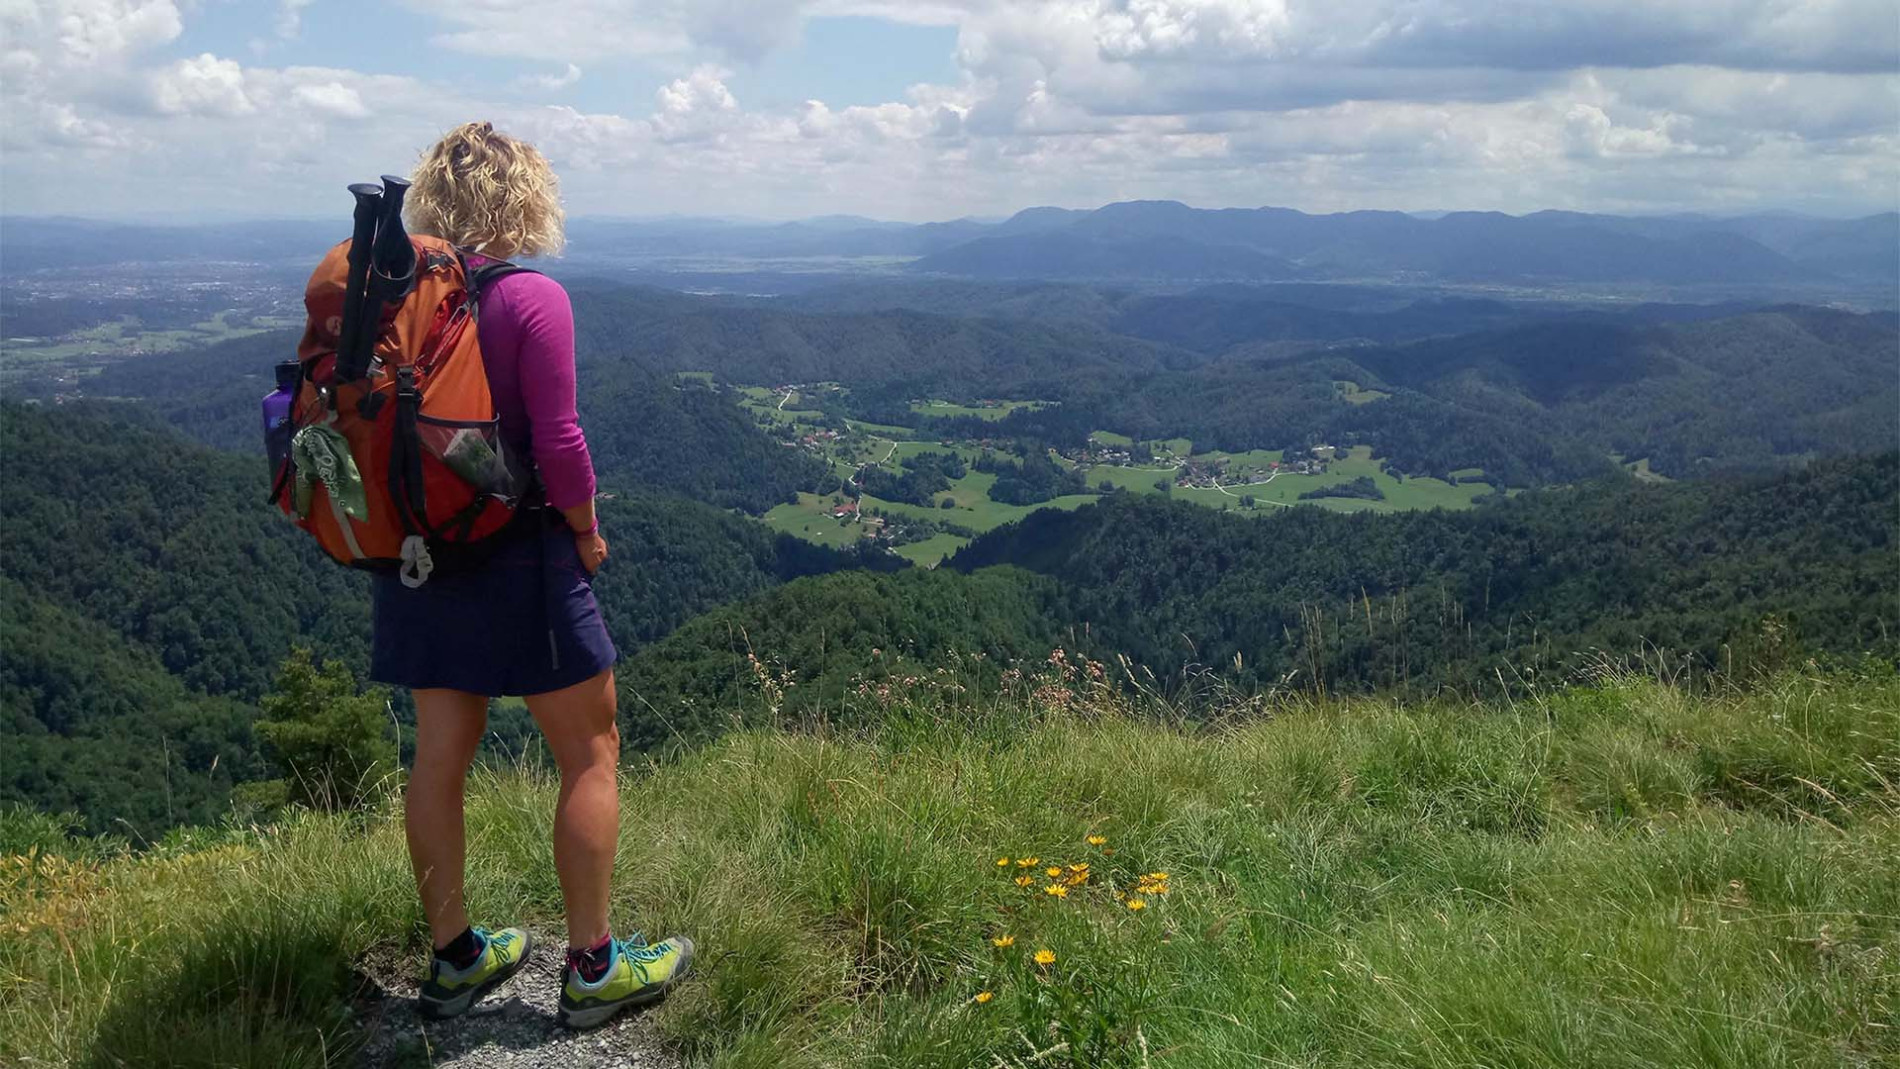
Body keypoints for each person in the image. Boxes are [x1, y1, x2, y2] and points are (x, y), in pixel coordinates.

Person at [375, 121, 691, 1030]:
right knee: (589, 752)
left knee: (439, 756)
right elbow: (560, 441)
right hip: (525, 553)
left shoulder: (404, 298)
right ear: (526, 198)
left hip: (421, 556)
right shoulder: (531, 298)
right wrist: (587, 533)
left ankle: (455, 959)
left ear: (437, 197)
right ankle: (593, 968)